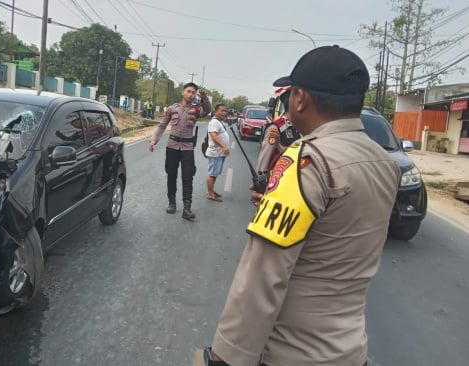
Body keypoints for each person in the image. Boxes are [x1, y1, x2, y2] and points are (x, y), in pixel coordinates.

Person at [203, 46, 401, 366]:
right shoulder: (384, 163)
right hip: (350, 350)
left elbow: (263, 275)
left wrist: (227, 356)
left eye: (290, 93)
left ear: (300, 99)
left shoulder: (306, 161)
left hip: (292, 354)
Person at [149, 82, 211, 220]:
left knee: (188, 177)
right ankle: (172, 203)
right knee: (171, 175)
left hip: (187, 148)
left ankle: (187, 208)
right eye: (188, 91)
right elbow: (162, 125)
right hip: (172, 146)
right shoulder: (172, 109)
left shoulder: (197, 110)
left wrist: (205, 100)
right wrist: (154, 140)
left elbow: (207, 111)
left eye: (193, 92)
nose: (190, 94)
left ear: (195, 95)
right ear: (183, 93)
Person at [257, 87, 300, 174]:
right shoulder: (276, 128)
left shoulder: (300, 126)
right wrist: (260, 179)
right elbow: (265, 156)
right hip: (279, 177)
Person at [205, 104, 230, 202]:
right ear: (215, 111)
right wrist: (224, 146)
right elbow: (214, 136)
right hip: (215, 153)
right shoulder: (214, 122)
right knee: (212, 174)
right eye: (221, 111)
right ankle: (210, 193)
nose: (224, 113)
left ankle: (211, 190)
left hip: (219, 153)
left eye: (225, 111)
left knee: (214, 174)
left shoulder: (218, 122)